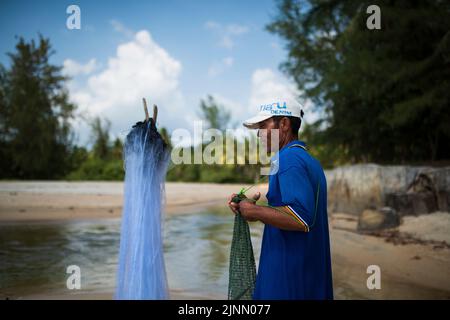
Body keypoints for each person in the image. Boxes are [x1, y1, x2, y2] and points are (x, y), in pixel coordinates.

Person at [227, 101, 333, 299]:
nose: (259, 134)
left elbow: (301, 218)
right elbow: (291, 209)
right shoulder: (308, 160)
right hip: (309, 275)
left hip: (289, 280)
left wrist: (254, 211)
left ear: (284, 124)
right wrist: (251, 207)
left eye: (263, 126)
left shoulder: (287, 159)